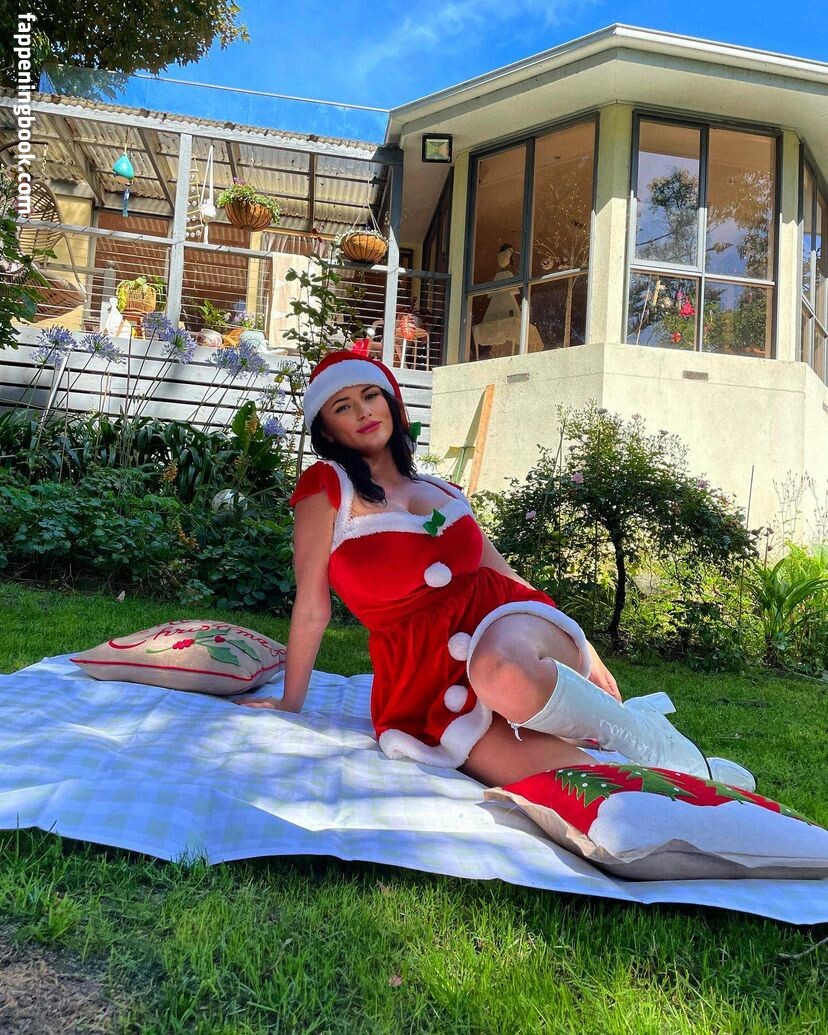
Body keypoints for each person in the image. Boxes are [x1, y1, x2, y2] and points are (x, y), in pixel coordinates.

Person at [237, 350, 754, 791]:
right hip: (422, 676)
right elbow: (312, 605)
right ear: (327, 430)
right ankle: (691, 782)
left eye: (370, 396)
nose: (363, 411)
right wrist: (290, 701)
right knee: (578, 781)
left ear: (391, 403)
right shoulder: (327, 487)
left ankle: (645, 737)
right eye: (342, 406)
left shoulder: (443, 491)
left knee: (500, 671)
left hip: (504, 624)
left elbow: (505, 575)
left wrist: (585, 648)